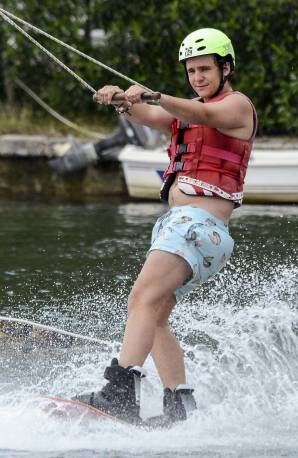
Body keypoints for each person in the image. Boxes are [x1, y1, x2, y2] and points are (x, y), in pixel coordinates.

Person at [73, 28, 258, 427]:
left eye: (205, 69)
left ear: (225, 68)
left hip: (198, 226)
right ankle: (180, 403)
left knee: (140, 298)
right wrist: (121, 101)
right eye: (191, 71)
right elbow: (152, 115)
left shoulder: (236, 105)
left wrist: (154, 94)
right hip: (179, 227)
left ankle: (119, 391)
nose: (198, 78)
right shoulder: (187, 107)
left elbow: (202, 114)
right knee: (153, 314)